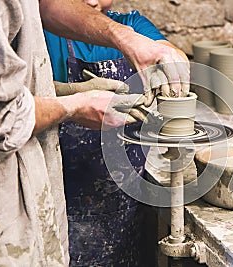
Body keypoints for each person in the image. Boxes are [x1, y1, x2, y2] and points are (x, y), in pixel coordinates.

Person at [0, 0, 189, 266]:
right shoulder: (35, 31)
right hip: (31, 195)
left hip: (122, 197)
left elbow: (46, 5)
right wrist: (74, 102)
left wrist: (140, 44)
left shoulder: (130, 25)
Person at [43, 1, 189, 265]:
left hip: (126, 197)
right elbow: (16, 99)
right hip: (64, 193)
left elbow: (169, 53)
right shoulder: (46, 29)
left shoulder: (131, 25)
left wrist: (169, 62)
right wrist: (71, 93)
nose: (91, 0)